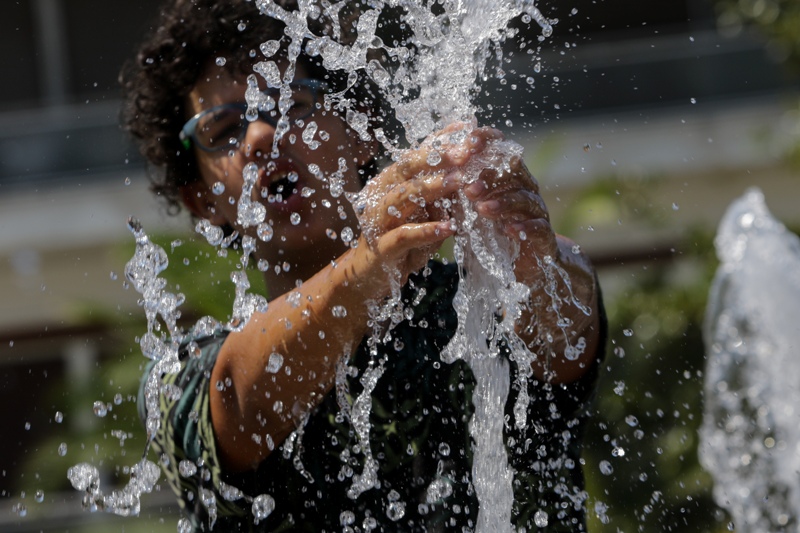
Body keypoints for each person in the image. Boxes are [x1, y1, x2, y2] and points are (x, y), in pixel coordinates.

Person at [123, 0, 606, 530]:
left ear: (363, 133)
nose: (260, 137)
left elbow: (568, 332)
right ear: (202, 200)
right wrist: (366, 270)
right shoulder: (178, 379)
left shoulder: (480, 305)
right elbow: (239, 404)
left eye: (293, 103)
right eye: (223, 130)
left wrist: (530, 258)